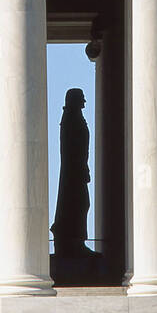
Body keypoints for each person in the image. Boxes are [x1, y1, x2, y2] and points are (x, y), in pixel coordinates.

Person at [51, 87, 91, 258]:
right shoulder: (71, 119)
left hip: (77, 168)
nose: (84, 101)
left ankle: (77, 241)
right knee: (80, 202)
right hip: (74, 171)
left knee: (81, 203)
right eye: (81, 98)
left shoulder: (73, 118)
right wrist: (81, 167)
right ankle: (74, 241)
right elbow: (73, 147)